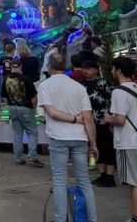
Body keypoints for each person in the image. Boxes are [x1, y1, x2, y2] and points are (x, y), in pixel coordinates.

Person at [37, 53, 97, 222]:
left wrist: (73, 119)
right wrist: (93, 143)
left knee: (60, 182)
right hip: (80, 138)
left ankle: (60, 219)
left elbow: (52, 113)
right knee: (84, 182)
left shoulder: (45, 86)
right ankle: (92, 219)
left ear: (49, 67)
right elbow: (88, 118)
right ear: (66, 66)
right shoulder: (78, 87)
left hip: (58, 137)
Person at [105, 56, 137, 222]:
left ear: (118, 70)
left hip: (129, 142)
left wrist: (108, 119)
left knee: (134, 183)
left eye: (112, 68)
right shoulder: (135, 87)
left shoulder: (118, 91)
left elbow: (120, 119)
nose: (112, 71)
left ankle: (135, 217)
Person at [1, 59, 42, 167]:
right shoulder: (26, 79)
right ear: (20, 67)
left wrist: (9, 106)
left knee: (17, 134)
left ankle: (19, 158)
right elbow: (33, 97)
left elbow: (4, 97)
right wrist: (33, 108)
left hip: (12, 108)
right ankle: (33, 157)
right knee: (32, 133)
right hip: (26, 108)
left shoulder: (6, 79)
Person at [82, 59, 116, 186]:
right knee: (94, 148)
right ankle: (101, 174)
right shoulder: (82, 85)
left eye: (89, 68)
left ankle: (110, 176)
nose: (86, 71)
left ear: (96, 70)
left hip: (105, 122)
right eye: (84, 69)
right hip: (90, 122)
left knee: (108, 148)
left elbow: (112, 102)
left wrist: (112, 119)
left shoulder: (104, 83)